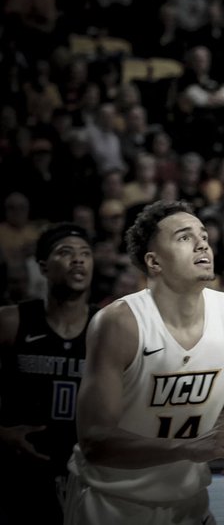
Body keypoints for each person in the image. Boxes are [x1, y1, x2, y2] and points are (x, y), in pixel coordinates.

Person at [64, 200, 224, 524]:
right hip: (111, 502)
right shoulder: (119, 323)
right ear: (154, 262)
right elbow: (95, 441)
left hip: (190, 502)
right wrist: (184, 449)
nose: (202, 244)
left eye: (204, 236)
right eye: (184, 237)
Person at [0, 224, 95, 525]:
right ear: (42, 267)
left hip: (87, 474)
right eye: (65, 253)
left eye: (85, 254)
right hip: (19, 472)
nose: (78, 260)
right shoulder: (12, 321)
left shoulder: (108, 327)